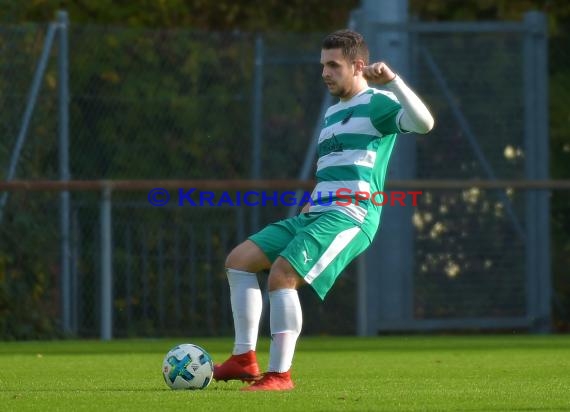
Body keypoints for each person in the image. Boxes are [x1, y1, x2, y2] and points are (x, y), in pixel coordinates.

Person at [213, 29, 434, 391]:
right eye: (323, 65)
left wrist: (393, 80)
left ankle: (280, 375)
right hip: (317, 213)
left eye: (333, 65)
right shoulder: (333, 112)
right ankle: (243, 359)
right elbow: (333, 170)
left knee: (282, 275)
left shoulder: (378, 102)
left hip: (352, 214)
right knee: (239, 260)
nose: (325, 72)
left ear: (358, 66)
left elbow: (425, 124)